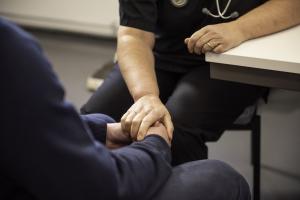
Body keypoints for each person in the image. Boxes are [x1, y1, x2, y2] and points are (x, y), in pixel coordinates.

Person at [0, 18, 251, 200]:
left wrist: (102, 129)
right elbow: (101, 185)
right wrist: (154, 143)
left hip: (223, 56)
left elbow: (27, 127)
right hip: (160, 56)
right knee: (221, 177)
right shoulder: (10, 49)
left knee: (180, 122)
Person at [81, 0, 300, 165]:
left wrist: (238, 28)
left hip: (231, 57)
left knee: (177, 130)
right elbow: (133, 36)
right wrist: (146, 96)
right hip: (159, 54)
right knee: (93, 121)